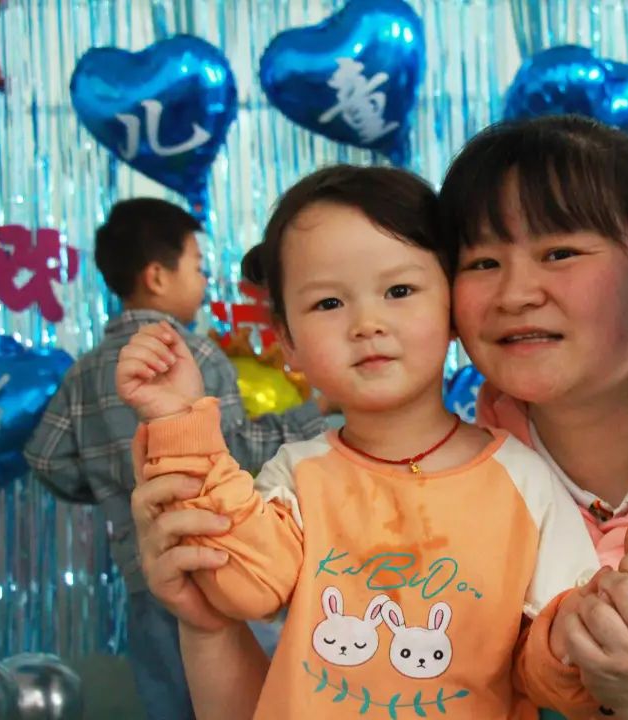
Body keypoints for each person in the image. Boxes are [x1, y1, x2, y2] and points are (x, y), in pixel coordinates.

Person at [130, 116, 628, 719]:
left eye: (560, 252)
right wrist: (206, 629)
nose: (517, 292)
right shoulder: (435, 482)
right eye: (483, 261)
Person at [115, 165, 601, 718]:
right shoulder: (296, 477)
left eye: (399, 291)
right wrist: (179, 421)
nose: (367, 323)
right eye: (329, 303)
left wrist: (578, 639)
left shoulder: (522, 479)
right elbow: (243, 584)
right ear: (288, 340)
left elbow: (560, 668)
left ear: (452, 308)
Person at [23, 198, 332, 720]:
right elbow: (235, 451)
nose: (206, 283)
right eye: (198, 268)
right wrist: (314, 412)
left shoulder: (85, 371)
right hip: (222, 565)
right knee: (252, 700)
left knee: (167, 704)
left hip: (146, 576)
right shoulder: (196, 355)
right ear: (157, 277)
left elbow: (45, 459)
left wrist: (113, 486)